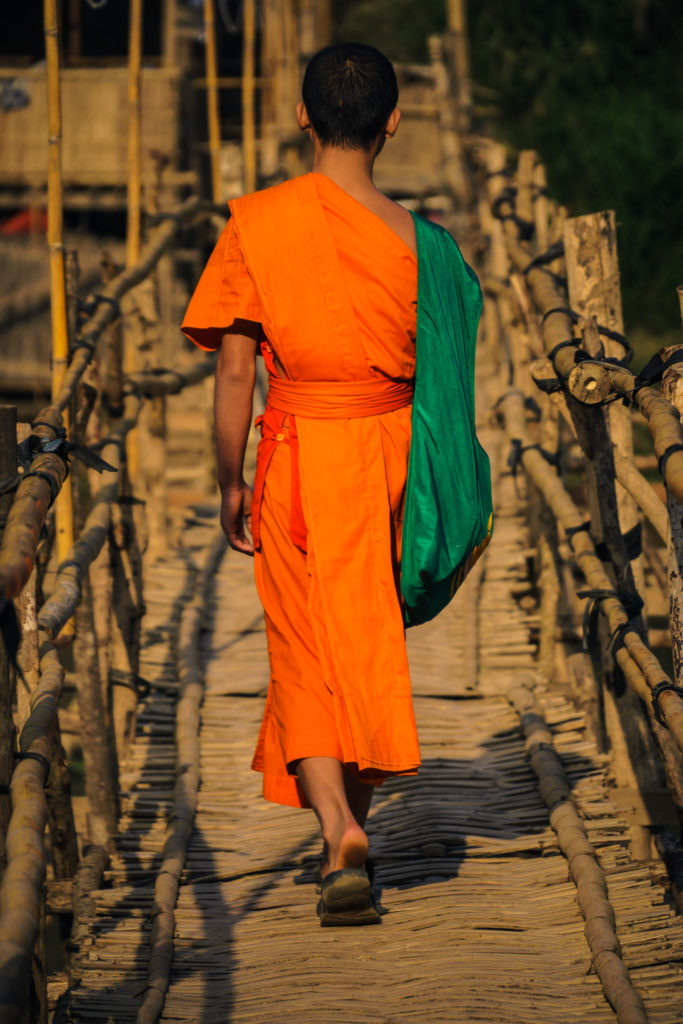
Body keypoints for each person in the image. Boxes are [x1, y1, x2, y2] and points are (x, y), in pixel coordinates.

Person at [182, 42, 483, 927]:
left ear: (303, 117)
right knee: (361, 640)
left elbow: (236, 374)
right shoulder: (425, 247)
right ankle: (352, 817)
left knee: (302, 657)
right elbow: (448, 382)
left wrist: (229, 482)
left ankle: (338, 830)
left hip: (299, 459)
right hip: (392, 463)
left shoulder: (257, 225)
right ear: (392, 121)